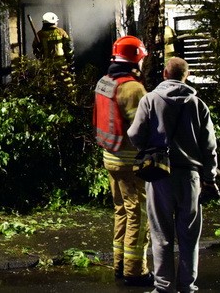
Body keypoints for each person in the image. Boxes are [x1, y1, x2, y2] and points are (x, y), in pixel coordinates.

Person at [128, 57, 219, 293]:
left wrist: (150, 147)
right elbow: (209, 146)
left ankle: (164, 287)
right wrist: (209, 177)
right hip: (190, 178)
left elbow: (135, 134)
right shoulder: (198, 105)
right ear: (185, 76)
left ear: (165, 74)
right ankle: (187, 286)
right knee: (189, 237)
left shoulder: (150, 100)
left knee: (161, 235)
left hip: (159, 175)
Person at [93, 35, 152, 286]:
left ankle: (120, 264)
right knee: (138, 214)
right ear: (136, 59)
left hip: (110, 157)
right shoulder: (133, 88)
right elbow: (141, 128)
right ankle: (135, 271)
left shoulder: (104, 82)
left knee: (121, 212)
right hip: (130, 162)